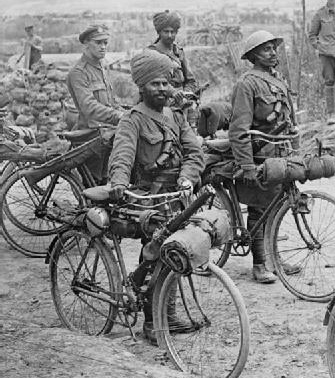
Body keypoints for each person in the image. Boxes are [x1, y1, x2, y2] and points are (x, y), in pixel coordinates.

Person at [107, 49, 205, 345]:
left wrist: (188, 177)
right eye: (155, 84)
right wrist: (119, 184)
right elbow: (121, 156)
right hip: (148, 200)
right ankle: (153, 322)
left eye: (166, 83)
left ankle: (168, 314)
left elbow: (194, 152)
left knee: (177, 251)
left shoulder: (176, 117)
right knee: (157, 252)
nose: (163, 89)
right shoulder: (132, 120)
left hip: (177, 197)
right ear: (141, 87)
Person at [229, 31, 298, 284]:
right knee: (260, 209)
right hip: (259, 157)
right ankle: (259, 264)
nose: (272, 53)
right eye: (266, 49)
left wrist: (296, 152)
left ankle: (275, 258)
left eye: (273, 48)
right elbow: (239, 129)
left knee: (279, 207)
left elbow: (291, 123)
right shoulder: (247, 84)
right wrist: (247, 165)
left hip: (281, 154)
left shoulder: (278, 81)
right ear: (253, 55)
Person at [66, 24, 123, 129]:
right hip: (91, 132)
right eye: (98, 43)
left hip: (109, 128)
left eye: (105, 43)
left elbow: (112, 103)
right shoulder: (79, 73)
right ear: (86, 44)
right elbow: (88, 107)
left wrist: (127, 113)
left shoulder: (102, 69)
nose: (103, 47)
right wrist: (118, 115)